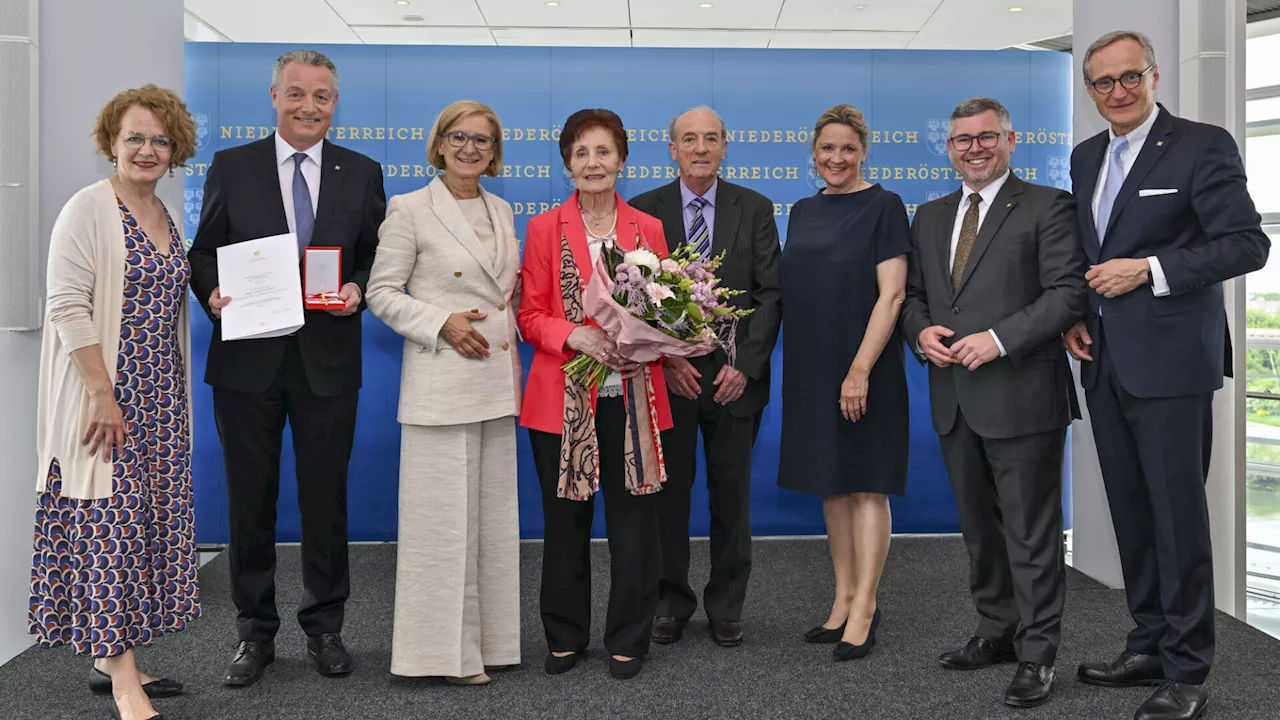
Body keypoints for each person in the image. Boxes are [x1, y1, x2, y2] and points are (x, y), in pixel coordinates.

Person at [1065, 30, 1269, 720]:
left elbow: (1246, 243)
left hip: (1174, 364)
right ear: (1090, 90)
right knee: (1133, 512)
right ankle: (1148, 641)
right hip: (1105, 362)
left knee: (1178, 518)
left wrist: (1148, 271)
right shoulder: (1086, 155)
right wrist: (1079, 314)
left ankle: (1187, 670)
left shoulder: (1201, 144)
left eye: (1129, 78)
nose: (1117, 92)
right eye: (1103, 83)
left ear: (1154, 77)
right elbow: (1092, 250)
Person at [188, 49, 387, 687]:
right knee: (252, 502)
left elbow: (374, 254)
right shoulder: (232, 165)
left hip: (327, 362)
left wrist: (358, 287)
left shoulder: (362, 171)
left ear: (335, 103)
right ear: (274, 96)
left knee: (325, 501)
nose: (308, 106)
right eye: (296, 93)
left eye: (322, 96)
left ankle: (325, 628)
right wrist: (213, 292)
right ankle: (254, 634)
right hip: (248, 361)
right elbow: (203, 254)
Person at [899, 97, 1088, 708]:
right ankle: (995, 630)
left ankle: (1038, 654)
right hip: (953, 397)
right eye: (962, 140)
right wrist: (919, 332)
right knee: (980, 529)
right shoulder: (928, 215)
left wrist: (1000, 339)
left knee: (1031, 534)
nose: (974, 148)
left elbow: (1067, 294)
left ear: (1012, 139)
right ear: (948, 147)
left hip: (1023, 396)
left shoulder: (1046, 205)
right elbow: (914, 297)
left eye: (986, 137)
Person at [29, 85, 197, 720]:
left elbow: (165, 299)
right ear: (111, 142)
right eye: (135, 137)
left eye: (159, 139)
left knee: (142, 530)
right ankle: (125, 683)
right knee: (108, 531)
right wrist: (103, 394)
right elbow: (67, 306)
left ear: (174, 147)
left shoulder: (164, 212)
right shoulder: (88, 208)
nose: (147, 149)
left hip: (161, 400)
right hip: (108, 401)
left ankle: (112, 659)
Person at [366, 100, 522, 686]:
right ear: (438, 143)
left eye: (482, 140)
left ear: (494, 151)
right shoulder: (409, 208)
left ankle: (493, 646)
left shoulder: (502, 208)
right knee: (442, 528)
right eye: (459, 137)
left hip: (496, 385)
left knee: (492, 526)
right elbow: (382, 293)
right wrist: (442, 323)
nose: (469, 148)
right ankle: (438, 657)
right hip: (442, 384)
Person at [518, 108, 672, 680]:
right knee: (564, 524)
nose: (592, 163)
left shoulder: (648, 229)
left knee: (634, 525)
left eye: (603, 152)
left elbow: (666, 309)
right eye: (581, 153)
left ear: (622, 161)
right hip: (561, 401)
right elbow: (528, 315)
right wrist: (572, 332)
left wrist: (648, 335)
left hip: (634, 398)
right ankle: (564, 634)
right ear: (567, 164)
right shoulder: (541, 229)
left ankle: (629, 636)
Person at [628, 106, 782, 648]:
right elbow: (634, 299)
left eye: (710, 139)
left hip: (736, 380)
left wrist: (745, 367)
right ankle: (671, 600)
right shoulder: (644, 211)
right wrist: (667, 359)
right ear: (671, 149)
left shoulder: (756, 208)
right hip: (670, 378)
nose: (700, 148)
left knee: (732, 495)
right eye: (688, 139)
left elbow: (770, 294)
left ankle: (726, 604)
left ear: (724, 146)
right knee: (668, 495)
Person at [776, 104, 910, 661]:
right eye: (827, 148)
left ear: (864, 153)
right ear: (813, 152)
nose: (837, 158)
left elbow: (893, 295)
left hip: (865, 366)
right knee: (831, 484)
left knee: (865, 485)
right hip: (812, 365)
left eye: (848, 149)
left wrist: (859, 370)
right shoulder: (803, 210)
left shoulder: (884, 206)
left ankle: (867, 606)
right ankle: (842, 597)